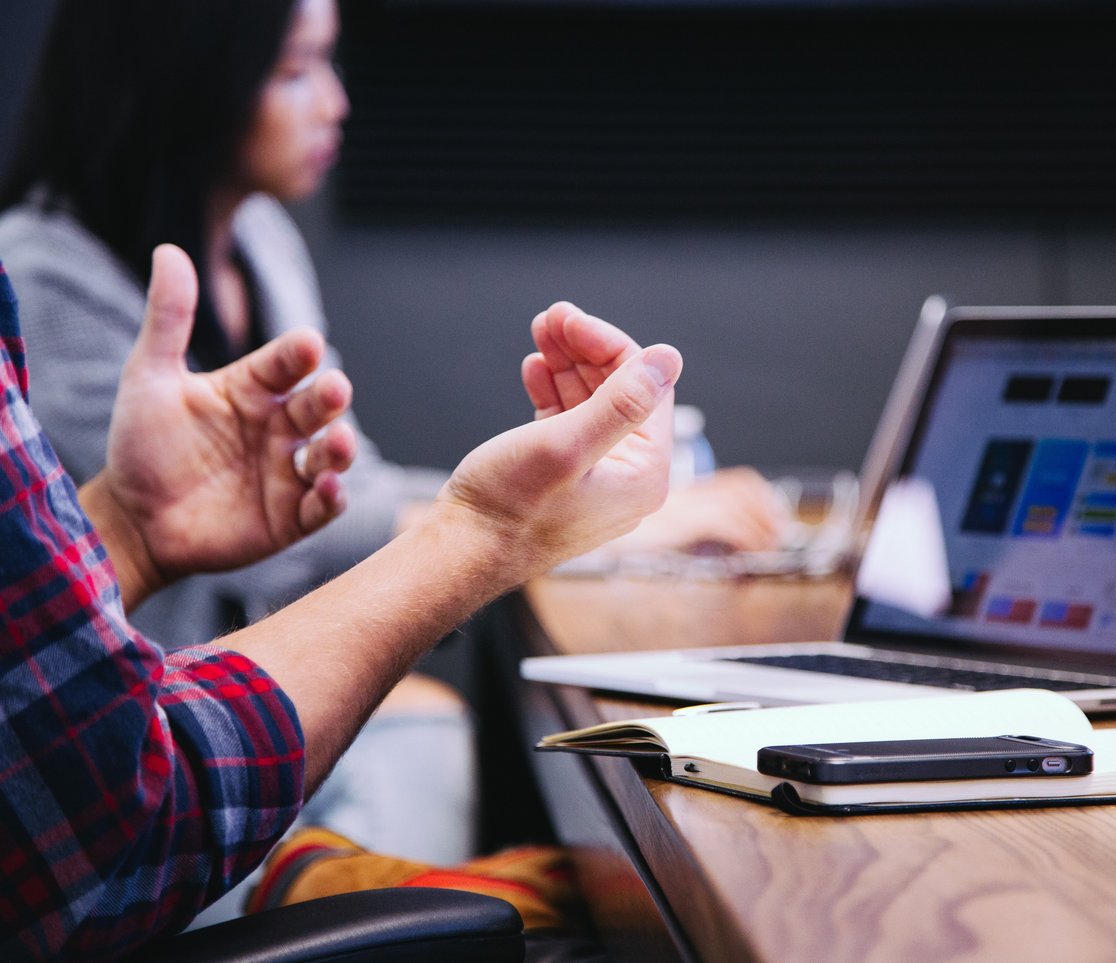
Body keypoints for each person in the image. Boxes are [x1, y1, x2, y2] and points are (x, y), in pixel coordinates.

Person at [0, 0, 785, 887]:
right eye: (295, 70)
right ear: (185, 79)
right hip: (144, 770)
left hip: (227, 708)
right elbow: (306, 538)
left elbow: (334, 490)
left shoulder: (258, 238)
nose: (334, 102)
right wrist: (551, 523)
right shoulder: (41, 276)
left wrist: (530, 516)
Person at [0, 242, 683, 960]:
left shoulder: (263, 237)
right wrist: (488, 531)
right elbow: (113, 815)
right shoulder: (45, 265)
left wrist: (127, 533)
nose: (339, 118)